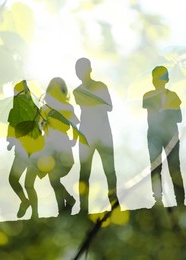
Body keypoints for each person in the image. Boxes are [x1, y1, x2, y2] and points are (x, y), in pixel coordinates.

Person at [73, 57, 119, 214]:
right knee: (84, 171)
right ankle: (83, 208)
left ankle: (114, 203)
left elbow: (108, 106)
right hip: (86, 133)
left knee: (109, 170)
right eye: (77, 69)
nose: (80, 72)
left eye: (82, 68)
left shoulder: (100, 86)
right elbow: (94, 106)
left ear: (90, 69)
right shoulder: (77, 91)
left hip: (103, 132)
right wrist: (96, 102)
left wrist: (94, 103)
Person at [143, 66, 185, 206]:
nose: (157, 81)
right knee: (155, 166)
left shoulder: (173, 96)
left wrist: (164, 113)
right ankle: (158, 199)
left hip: (171, 135)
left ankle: (180, 200)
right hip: (155, 136)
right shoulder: (148, 95)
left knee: (174, 167)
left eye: (160, 77)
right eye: (155, 78)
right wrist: (167, 113)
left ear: (166, 79)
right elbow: (151, 119)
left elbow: (179, 118)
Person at [38, 77, 78, 215]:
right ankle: (64, 205)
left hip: (62, 145)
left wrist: (74, 139)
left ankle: (67, 202)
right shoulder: (45, 108)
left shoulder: (67, 107)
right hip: (49, 147)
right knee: (53, 179)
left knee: (55, 178)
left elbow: (74, 125)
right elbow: (39, 127)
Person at [7, 80, 43, 219]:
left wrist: (10, 141)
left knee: (19, 181)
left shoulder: (21, 108)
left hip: (28, 151)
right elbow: (11, 127)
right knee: (23, 182)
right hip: (30, 151)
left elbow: (12, 126)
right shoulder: (35, 108)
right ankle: (30, 207)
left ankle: (30, 208)